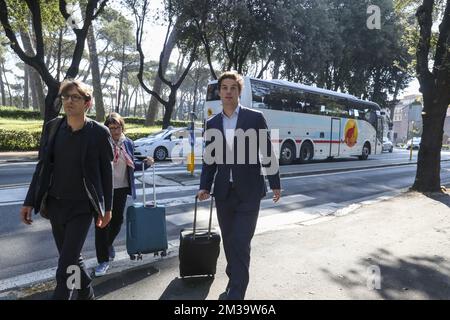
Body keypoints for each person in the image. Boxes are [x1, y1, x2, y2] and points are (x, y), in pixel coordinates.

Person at [20, 79, 114, 300]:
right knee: (71, 258)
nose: (69, 101)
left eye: (75, 97)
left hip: (82, 208)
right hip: (55, 205)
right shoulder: (53, 128)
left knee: (64, 267)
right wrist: (29, 201)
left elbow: (106, 174)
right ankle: (86, 293)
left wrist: (107, 208)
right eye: (65, 97)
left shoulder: (99, 133)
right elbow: (42, 167)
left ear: (87, 103)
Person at [197, 71, 281, 300]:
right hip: (224, 193)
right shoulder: (212, 122)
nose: (228, 92)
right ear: (220, 92)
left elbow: (267, 151)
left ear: (239, 92)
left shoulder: (254, 118)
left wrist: (275, 183)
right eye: (224, 88)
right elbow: (209, 159)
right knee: (229, 241)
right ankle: (235, 278)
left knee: (241, 242)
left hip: (250, 192)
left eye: (233, 88)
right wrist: (204, 186)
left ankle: (235, 295)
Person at [94, 112, 154, 276]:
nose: (115, 131)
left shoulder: (128, 142)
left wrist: (145, 164)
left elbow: (131, 163)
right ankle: (103, 260)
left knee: (117, 221)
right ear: (106, 128)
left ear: (122, 127)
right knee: (102, 224)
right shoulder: (101, 142)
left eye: (117, 127)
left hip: (121, 187)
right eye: (111, 127)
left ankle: (108, 244)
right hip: (103, 189)